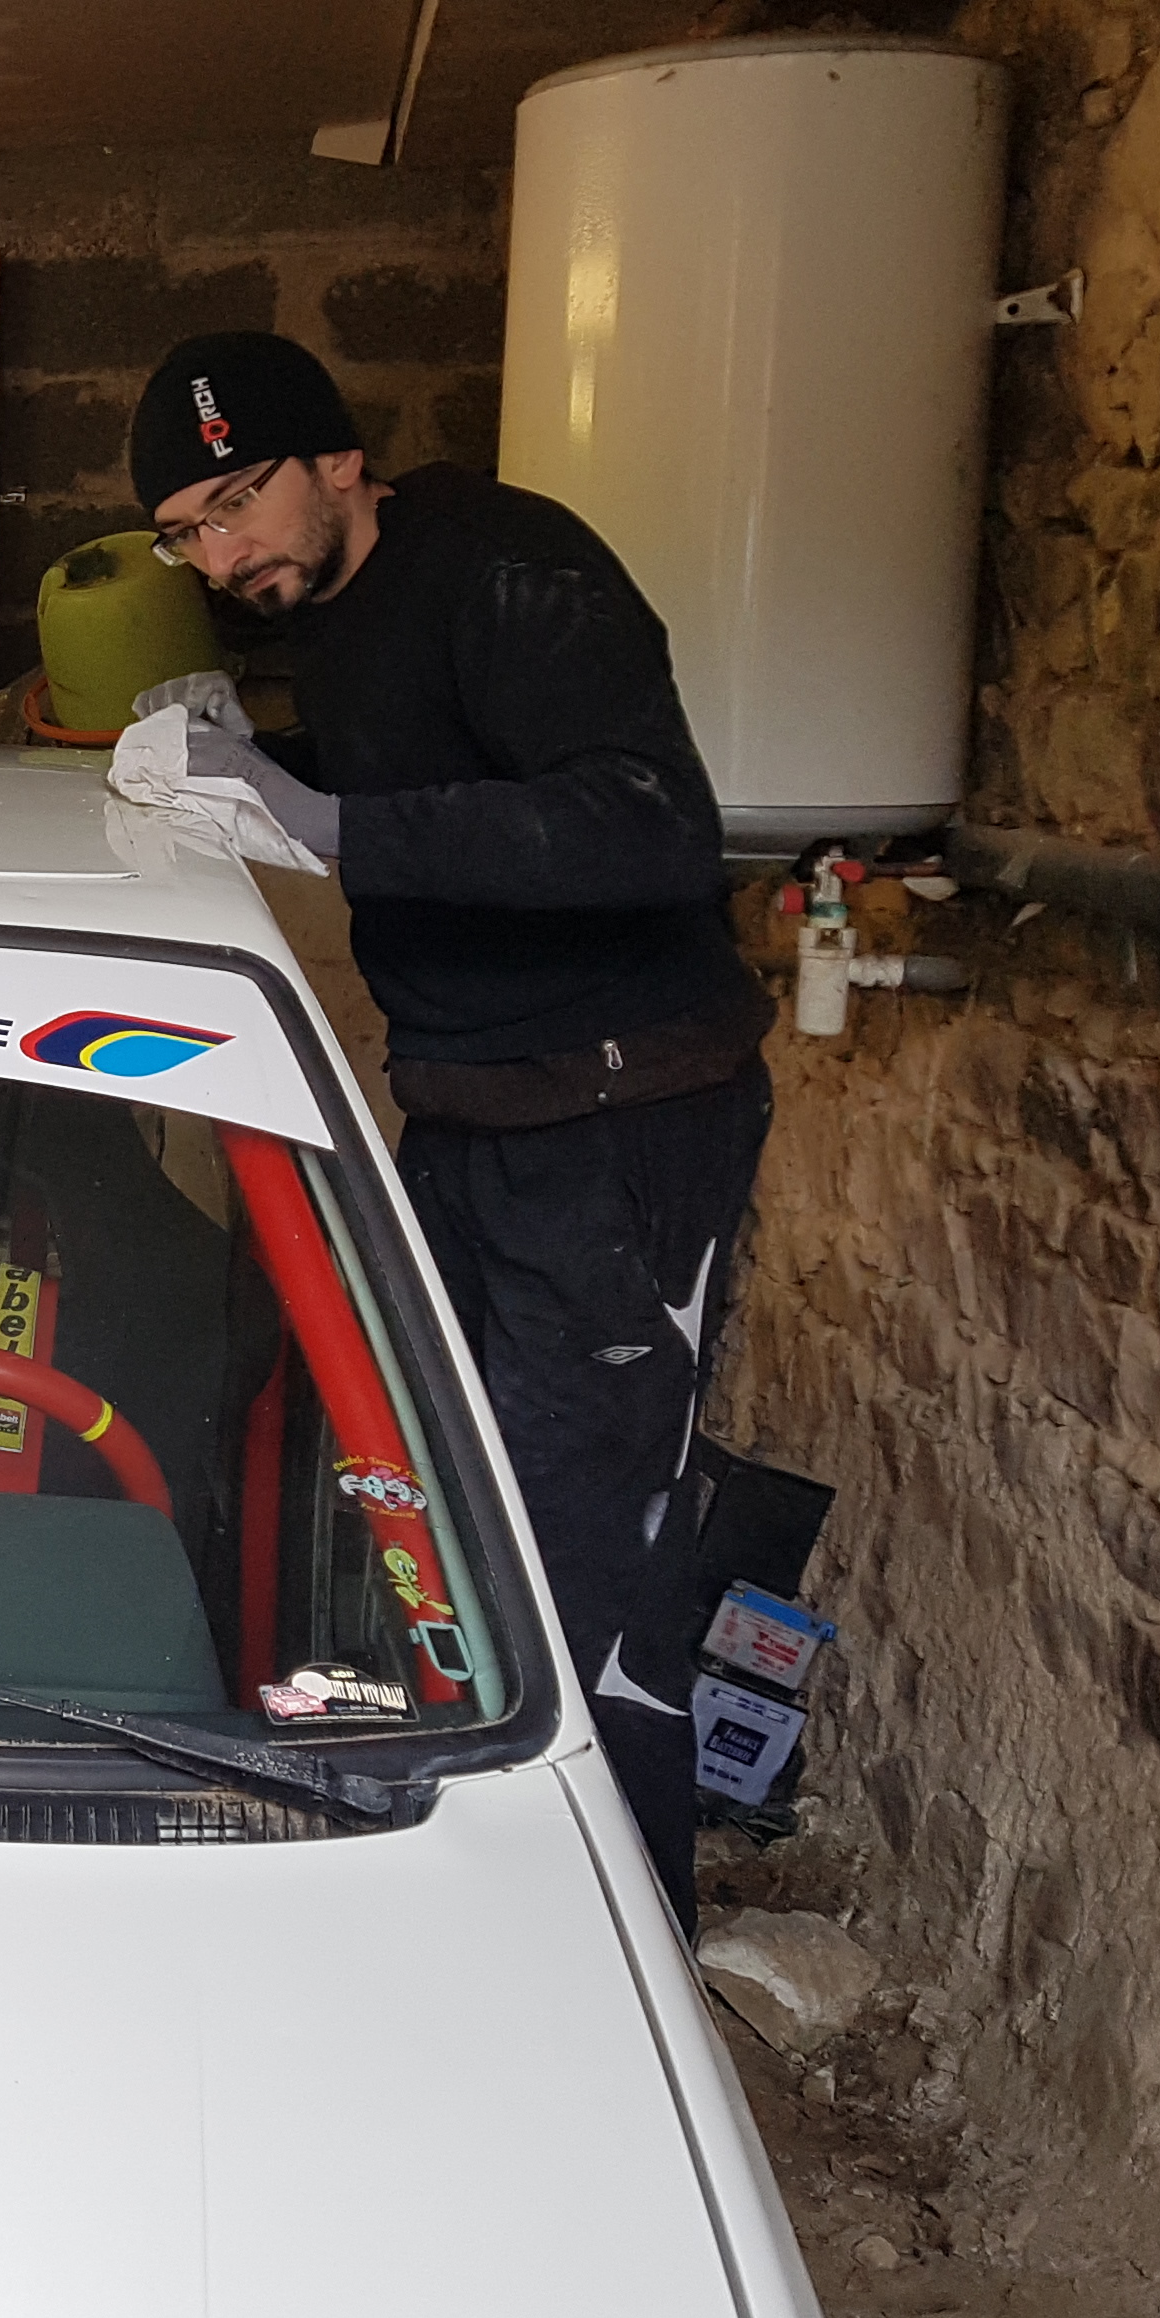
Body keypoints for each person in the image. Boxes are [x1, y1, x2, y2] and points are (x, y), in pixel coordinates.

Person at [123, 330, 768, 1929]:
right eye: (188, 533)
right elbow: (433, 776)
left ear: (339, 459)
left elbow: (649, 824)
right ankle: (470, 1897)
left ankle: (620, 1950)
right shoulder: (340, 609)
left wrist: (331, 821)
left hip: (617, 1125)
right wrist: (256, 762)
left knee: (575, 1568)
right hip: (479, 1121)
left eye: (237, 503)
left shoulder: (506, 570)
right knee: (452, 1523)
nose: (223, 557)